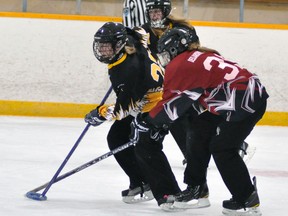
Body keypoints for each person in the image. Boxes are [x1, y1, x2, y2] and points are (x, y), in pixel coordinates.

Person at [130, 27, 268, 215]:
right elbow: (189, 99)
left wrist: (147, 123)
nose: (164, 61)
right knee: (198, 129)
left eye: (164, 55)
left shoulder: (180, 64)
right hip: (243, 96)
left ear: (173, 49)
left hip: (244, 102)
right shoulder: (197, 55)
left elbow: (171, 103)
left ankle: (246, 199)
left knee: (222, 148)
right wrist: (157, 122)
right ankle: (197, 189)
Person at [84, 22, 181, 205]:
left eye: (106, 47)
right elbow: (140, 32)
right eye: (101, 46)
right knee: (116, 138)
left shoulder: (129, 71)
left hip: (157, 105)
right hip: (142, 98)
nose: (102, 51)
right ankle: (142, 182)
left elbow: (122, 109)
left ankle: (170, 193)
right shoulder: (132, 41)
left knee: (147, 146)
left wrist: (100, 113)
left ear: (118, 45)